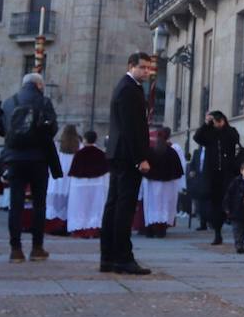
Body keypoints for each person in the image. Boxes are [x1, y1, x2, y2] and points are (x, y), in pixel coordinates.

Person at [100, 52, 157, 276]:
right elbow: (131, 128)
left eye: (148, 68)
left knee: (113, 206)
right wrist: (140, 158)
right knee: (123, 208)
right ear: (131, 66)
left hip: (119, 154)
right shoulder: (129, 89)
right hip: (127, 156)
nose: (146, 72)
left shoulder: (126, 87)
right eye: (142, 67)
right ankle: (122, 258)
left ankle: (109, 257)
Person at [0, 72, 60, 262]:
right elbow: (53, 129)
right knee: (39, 204)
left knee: (15, 204)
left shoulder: (9, 102)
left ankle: (15, 249)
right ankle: (37, 247)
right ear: (39, 86)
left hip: (14, 158)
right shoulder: (44, 102)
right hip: (39, 158)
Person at [192, 111, 240, 245]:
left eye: (219, 120)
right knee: (215, 204)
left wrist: (224, 126)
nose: (218, 124)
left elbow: (235, 140)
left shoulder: (230, 132)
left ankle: (231, 224)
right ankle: (217, 232)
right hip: (213, 175)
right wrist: (206, 124)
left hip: (227, 174)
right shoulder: (209, 133)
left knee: (228, 201)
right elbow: (197, 137)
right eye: (216, 121)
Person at [139, 127, 184, 238]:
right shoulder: (172, 152)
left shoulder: (149, 151)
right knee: (164, 206)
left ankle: (150, 229)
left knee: (151, 206)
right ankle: (161, 230)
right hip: (167, 185)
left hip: (151, 184)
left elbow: (144, 168)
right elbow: (178, 171)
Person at [67, 130, 109, 238]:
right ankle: (94, 230)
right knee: (95, 207)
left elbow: (73, 171)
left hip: (80, 185)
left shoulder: (79, 154)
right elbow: (105, 171)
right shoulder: (101, 153)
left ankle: (80, 230)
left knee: (80, 207)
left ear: (85, 139)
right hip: (97, 184)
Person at [45, 124, 80, 235]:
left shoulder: (57, 145)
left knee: (54, 202)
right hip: (70, 177)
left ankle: (52, 226)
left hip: (57, 176)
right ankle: (66, 226)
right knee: (68, 201)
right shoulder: (79, 146)